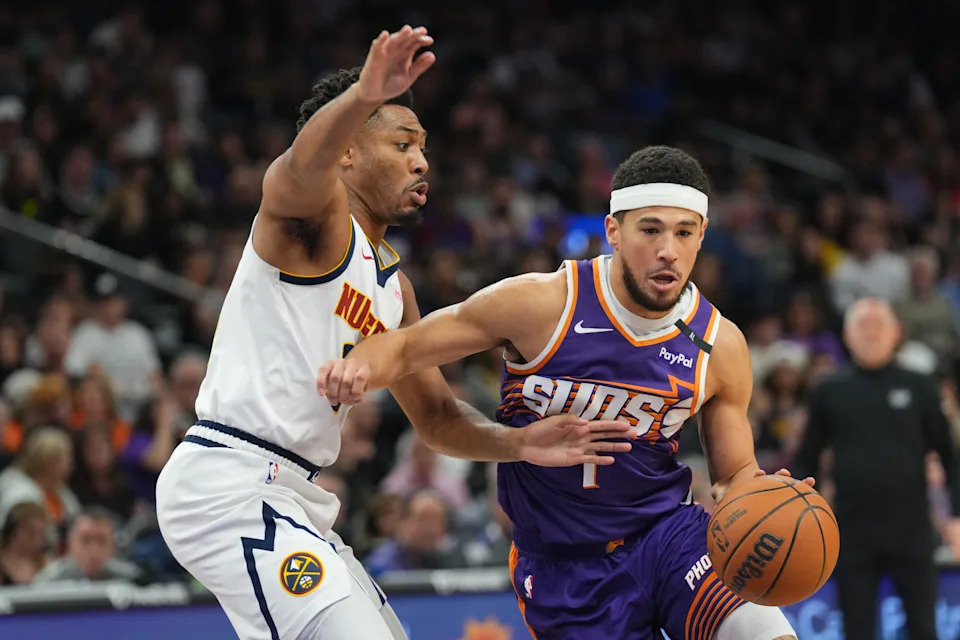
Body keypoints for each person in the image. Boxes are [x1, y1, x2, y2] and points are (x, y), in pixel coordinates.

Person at [155, 25, 630, 640]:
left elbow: (437, 419)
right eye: (403, 142)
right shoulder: (314, 226)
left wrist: (520, 443)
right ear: (348, 151)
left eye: (423, 146)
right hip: (229, 481)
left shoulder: (393, 288)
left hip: (295, 493)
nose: (422, 160)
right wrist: (359, 98)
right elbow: (293, 171)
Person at [317, 145, 809, 639]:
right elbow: (403, 350)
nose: (668, 250)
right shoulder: (541, 303)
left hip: (669, 535)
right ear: (613, 230)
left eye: (684, 232)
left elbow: (733, 476)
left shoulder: (719, 344)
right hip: (563, 567)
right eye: (651, 229)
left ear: (702, 236)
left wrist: (769, 497)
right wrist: (354, 367)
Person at [795, 297, 960, 640]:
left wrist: (957, 518)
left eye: (878, 325)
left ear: (896, 332)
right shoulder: (829, 389)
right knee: (857, 630)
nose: (870, 333)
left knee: (923, 628)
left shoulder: (920, 385)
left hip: (912, 529)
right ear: (847, 334)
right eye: (862, 326)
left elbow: (949, 454)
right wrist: (801, 521)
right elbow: (806, 458)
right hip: (851, 531)